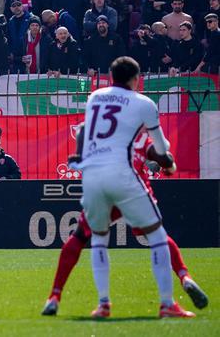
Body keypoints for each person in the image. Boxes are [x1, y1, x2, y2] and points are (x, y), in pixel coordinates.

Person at [41, 121, 208, 316]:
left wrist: (79, 155)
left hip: (101, 185)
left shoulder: (101, 124)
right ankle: (180, 282)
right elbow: (161, 157)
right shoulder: (138, 130)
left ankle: (64, 298)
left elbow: (82, 130)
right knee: (157, 236)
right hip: (132, 186)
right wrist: (168, 165)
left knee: (83, 237)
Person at [76, 56, 195, 319]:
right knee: (156, 235)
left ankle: (103, 304)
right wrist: (168, 161)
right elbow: (162, 149)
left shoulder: (95, 96)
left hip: (92, 175)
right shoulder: (144, 103)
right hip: (122, 173)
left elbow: (88, 131)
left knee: (98, 239)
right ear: (136, 79)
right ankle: (167, 304)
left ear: (110, 76)